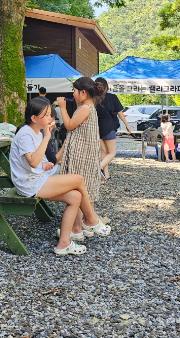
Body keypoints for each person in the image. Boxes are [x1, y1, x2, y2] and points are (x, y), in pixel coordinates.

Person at [10, 97, 111, 256]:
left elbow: (36, 161)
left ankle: (64, 244)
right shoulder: (25, 134)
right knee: (78, 179)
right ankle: (91, 220)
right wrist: (47, 138)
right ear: (34, 118)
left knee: (75, 196)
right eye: (46, 115)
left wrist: (45, 164)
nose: (50, 118)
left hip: (37, 178)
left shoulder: (35, 131)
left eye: (50, 114)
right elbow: (33, 162)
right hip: (28, 184)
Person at [56, 76, 109, 238]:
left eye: (74, 91)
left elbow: (69, 125)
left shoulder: (85, 108)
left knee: (77, 190)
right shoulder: (89, 107)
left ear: (83, 93)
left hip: (81, 155)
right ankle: (82, 225)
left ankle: (76, 229)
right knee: (85, 190)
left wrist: (63, 108)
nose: (73, 94)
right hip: (87, 154)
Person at [94, 77, 131, 180]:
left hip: (97, 128)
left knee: (103, 152)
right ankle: (99, 168)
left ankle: (106, 176)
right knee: (112, 153)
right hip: (109, 126)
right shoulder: (112, 97)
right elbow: (119, 112)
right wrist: (127, 125)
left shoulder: (93, 99)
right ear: (106, 87)